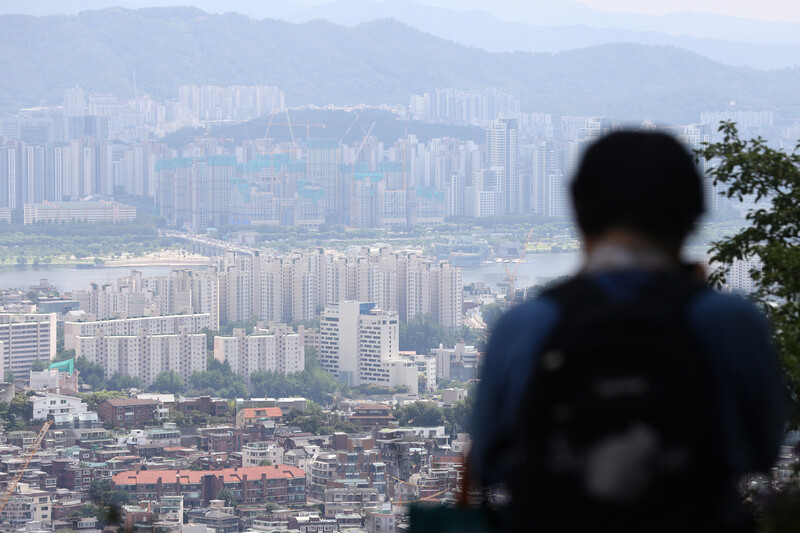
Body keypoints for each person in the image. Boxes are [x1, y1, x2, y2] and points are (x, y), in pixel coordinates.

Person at [469, 131, 788, 532]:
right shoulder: (728, 320)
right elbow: (763, 450)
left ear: (578, 211)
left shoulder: (525, 325)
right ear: (692, 216)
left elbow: (489, 465)